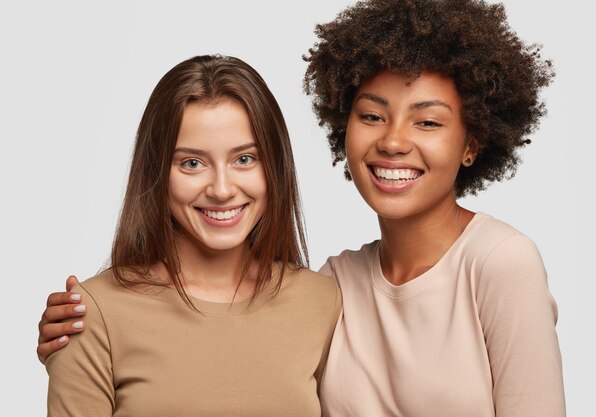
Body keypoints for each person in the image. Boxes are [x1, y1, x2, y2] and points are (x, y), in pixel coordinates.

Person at [38, 0, 566, 416]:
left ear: (472, 143)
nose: (394, 142)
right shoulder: (336, 285)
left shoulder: (499, 262)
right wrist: (85, 344)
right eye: (372, 116)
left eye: (428, 122)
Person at [43, 54, 341, 416]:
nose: (221, 189)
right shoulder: (94, 312)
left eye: (244, 159)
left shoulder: (323, 303)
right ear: (156, 172)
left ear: (274, 166)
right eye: (192, 163)